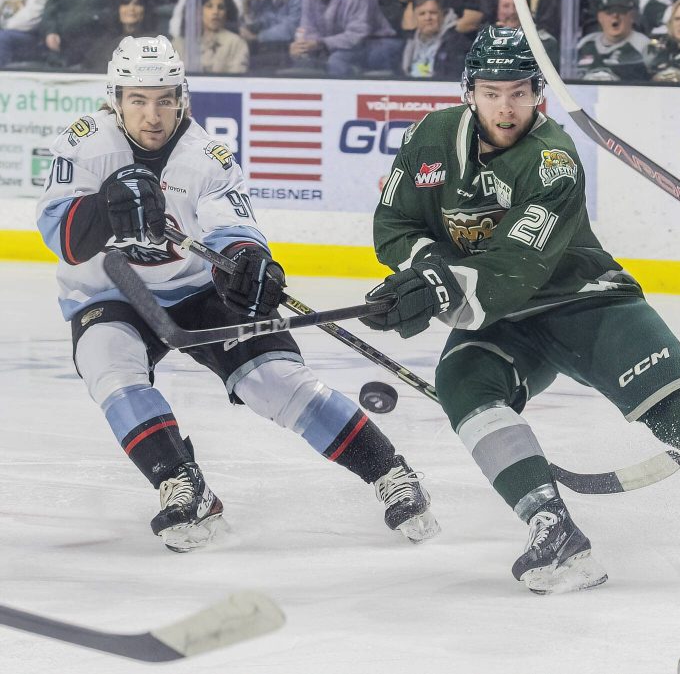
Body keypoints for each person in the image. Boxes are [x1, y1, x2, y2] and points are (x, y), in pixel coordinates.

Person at [361, 25, 680, 594]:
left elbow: (517, 265)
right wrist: (424, 269)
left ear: (537, 93)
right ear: (469, 91)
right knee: (462, 379)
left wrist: (443, 287)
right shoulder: (432, 137)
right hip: (505, 322)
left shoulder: (553, 160)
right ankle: (554, 528)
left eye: (519, 91)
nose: (505, 106)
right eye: (492, 91)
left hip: (585, 302)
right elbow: (394, 225)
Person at [34, 35, 439, 552]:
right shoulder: (84, 142)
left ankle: (389, 472)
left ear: (183, 96)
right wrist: (103, 205)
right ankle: (181, 483)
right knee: (108, 365)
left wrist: (249, 264)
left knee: (275, 381)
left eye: (164, 98)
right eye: (138, 99)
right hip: (111, 291)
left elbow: (235, 232)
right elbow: (59, 237)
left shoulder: (208, 156)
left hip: (194, 290)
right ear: (115, 99)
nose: (152, 115)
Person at [575, 0, 651, 82]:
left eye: (621, 10)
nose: (615, 15)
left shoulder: (643, 45)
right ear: (600, 17)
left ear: (632, 16)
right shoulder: (586, 43)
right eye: (609, 11)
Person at [174, 0, 250, 74]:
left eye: (220, 7)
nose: (215, 12)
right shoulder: (180, 43)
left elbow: (237, 80)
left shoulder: (236, 43)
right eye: (209, 6)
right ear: (198, 11)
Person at [400, 0, 462, 78]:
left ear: (442, 15)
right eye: (422, 14)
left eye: (433, 13)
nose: (428, 18)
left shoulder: (457, 44)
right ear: (415, 18)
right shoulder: (406, 45)